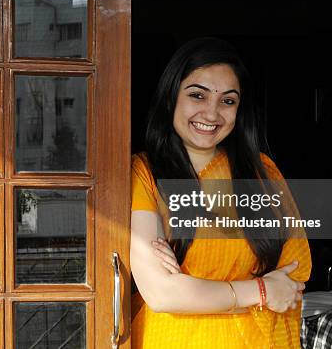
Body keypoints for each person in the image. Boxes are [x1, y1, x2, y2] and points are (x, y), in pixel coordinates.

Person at [130, 38, 312, 348]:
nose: (212, 114)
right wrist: (260, 291)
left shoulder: (262, 173)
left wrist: (195, 290)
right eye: (197, 95)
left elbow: (294, 274)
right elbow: (162, 293)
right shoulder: (144, 173)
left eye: (228, 101)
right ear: (170, 97)